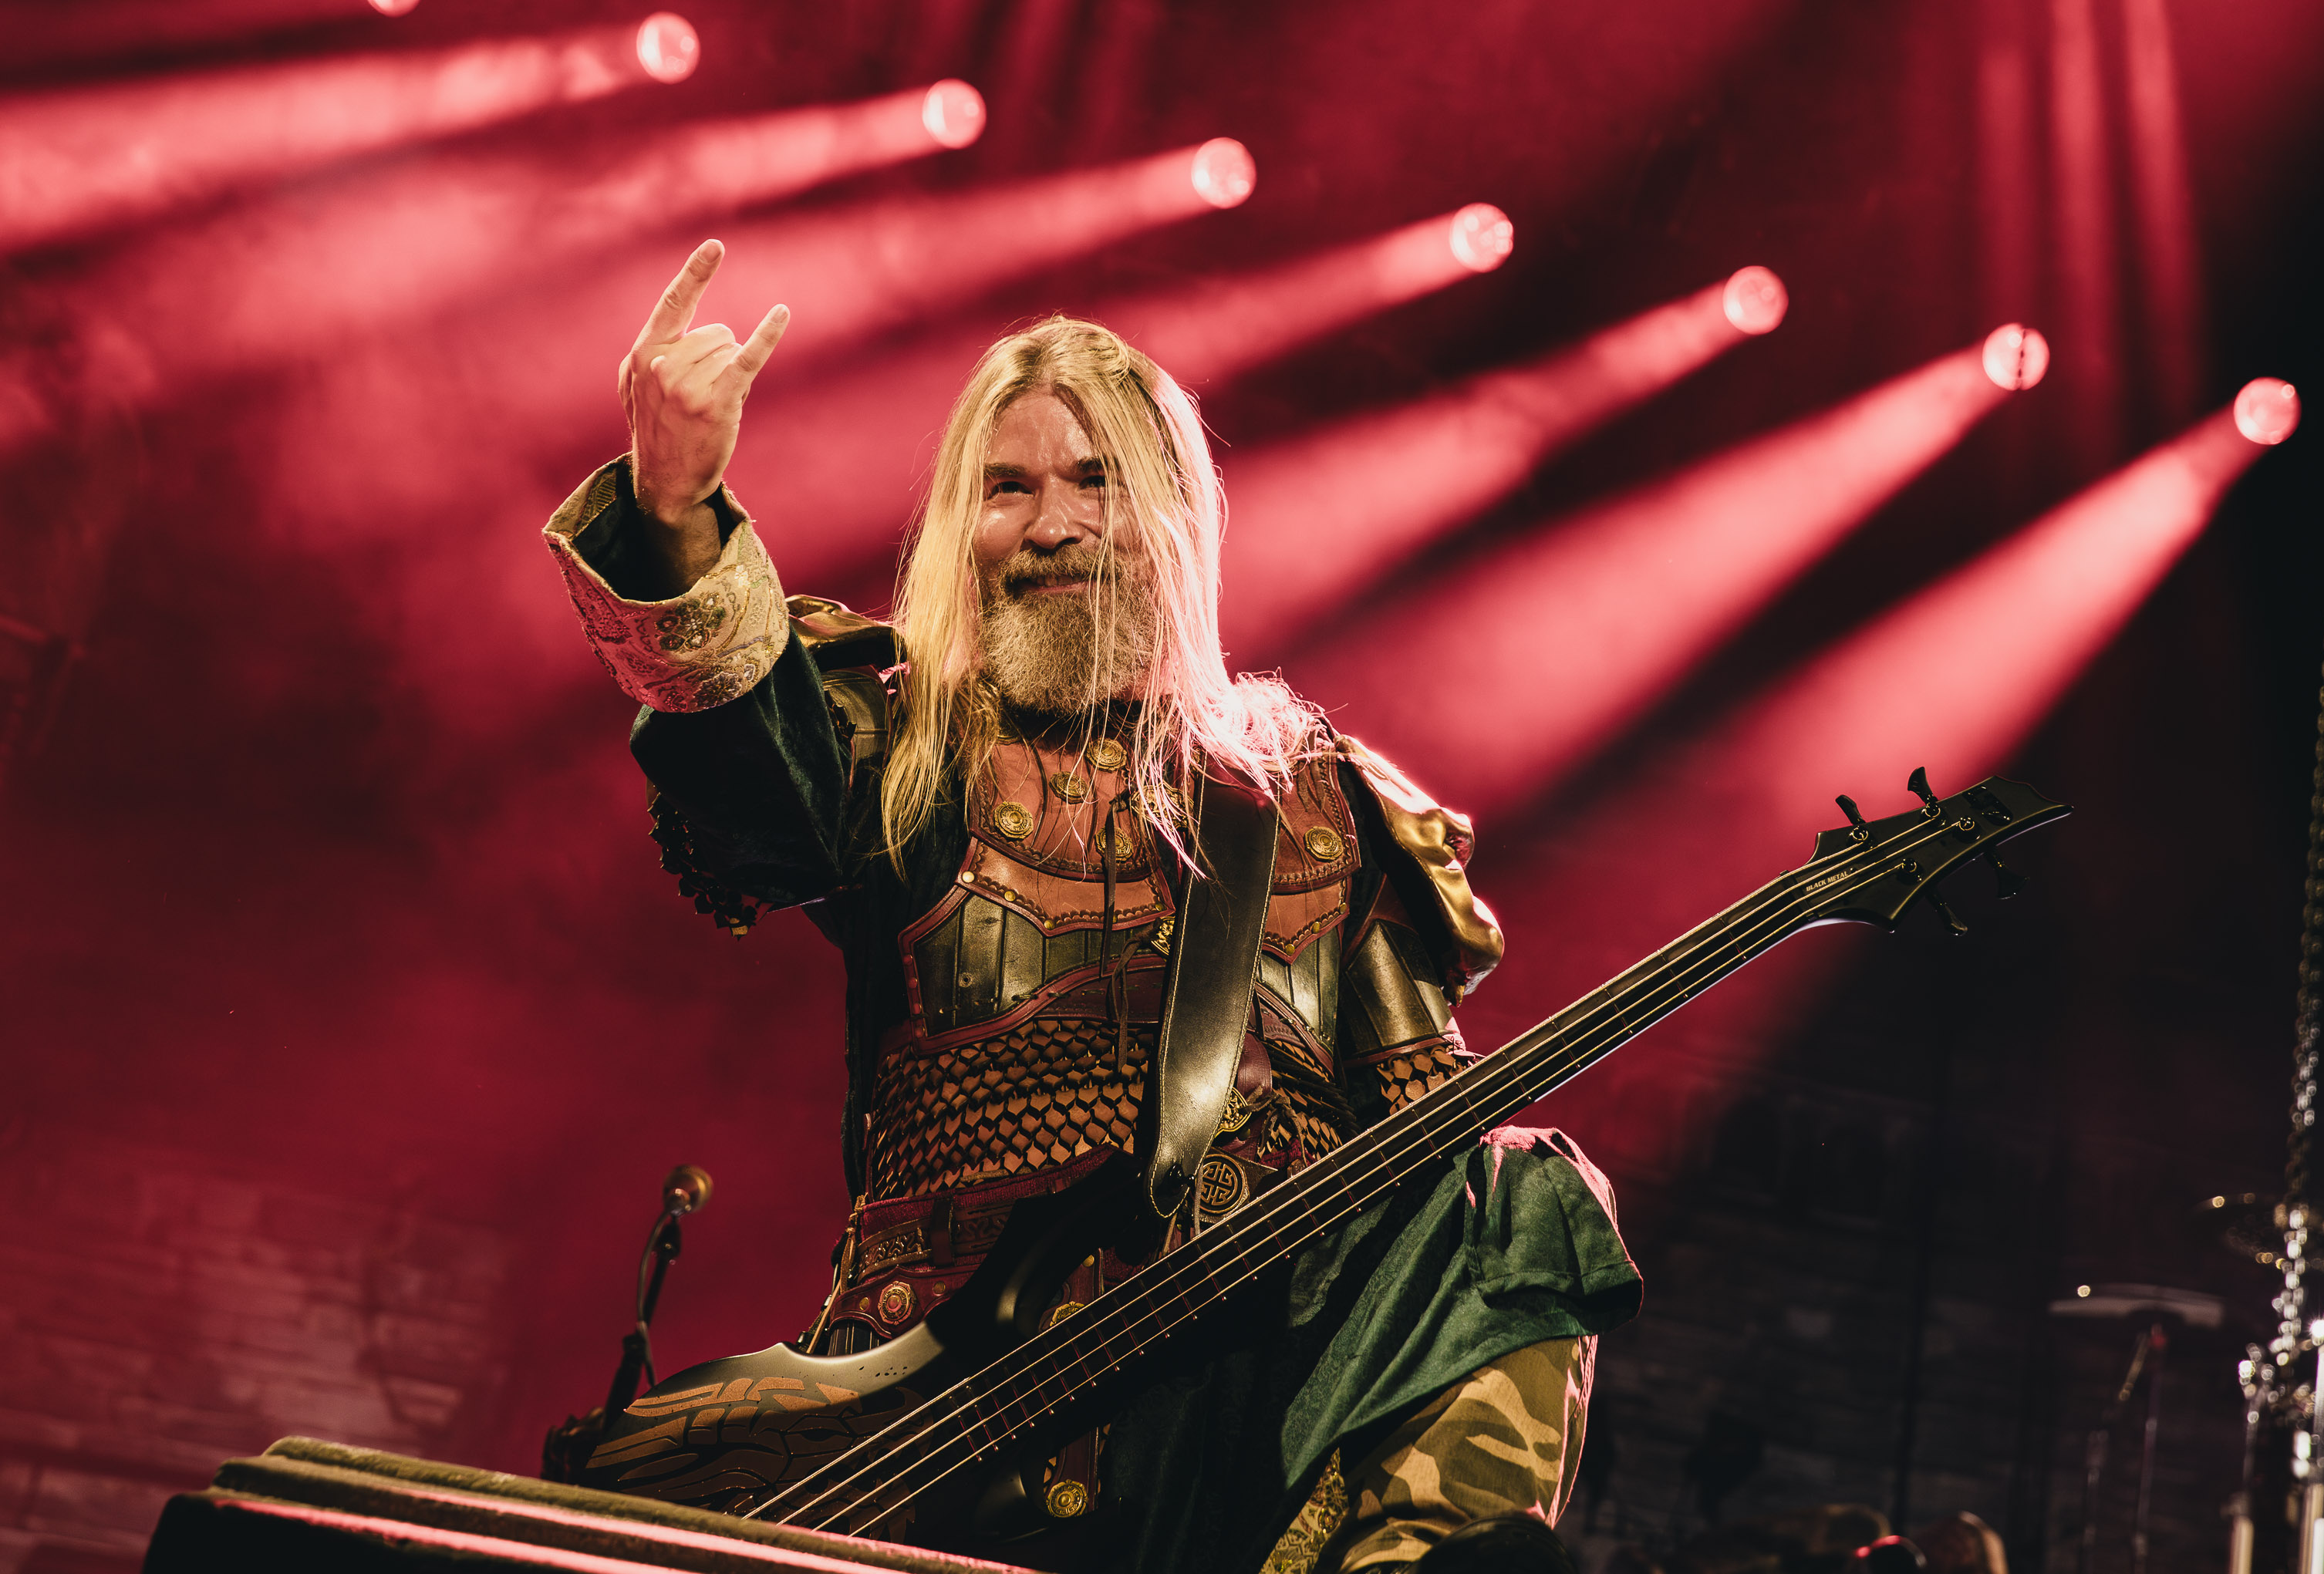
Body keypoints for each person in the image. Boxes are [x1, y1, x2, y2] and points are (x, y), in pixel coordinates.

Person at [543, 239, 1641, 1574]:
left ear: (1171, 510)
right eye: (1006, 487)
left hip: (1242, 1392)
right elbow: (751, 783)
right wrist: (675, 513)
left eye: (1093, 479)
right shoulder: (901, 745)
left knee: (1518, 1192)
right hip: (956, 1395)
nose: (1052, 524)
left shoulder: (1314, 795)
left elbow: (1428, 1145)